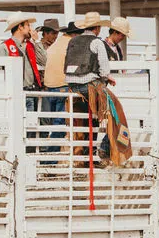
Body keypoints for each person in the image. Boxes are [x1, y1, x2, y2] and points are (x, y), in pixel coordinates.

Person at [65, 12, 114, 159]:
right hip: (88, 86)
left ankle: (86, 152)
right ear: (97, 28)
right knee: (113, 111)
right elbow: (104, 70)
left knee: (86, 120)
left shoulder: (72, 41)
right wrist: (107, 78)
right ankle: (104, 148)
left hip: (72, 86)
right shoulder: (97, 42)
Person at [0, 13, 47, 151]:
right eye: (28, 25)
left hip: (31, 91)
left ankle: (28, 153)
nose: (31, 28)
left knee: (32, 126)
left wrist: (37, 42)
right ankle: (21, 153)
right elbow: (0, 73)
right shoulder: (5, 47)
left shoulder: (30, 45)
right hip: (16, 92)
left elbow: (44, 61)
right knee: (20, 126)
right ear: (20, 27)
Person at [42, 21, 82, 158]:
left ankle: (46, 156)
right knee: (60, 124)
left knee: (50, 124)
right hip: (62, 86)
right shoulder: (72, 44)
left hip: (49, 86)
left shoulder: (56, 44)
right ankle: (50, 159)